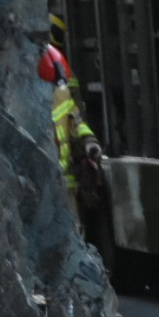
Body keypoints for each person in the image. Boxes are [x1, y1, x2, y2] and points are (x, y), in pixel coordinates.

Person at [38, 45, 104, 233]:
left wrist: (90, 144)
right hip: (45, 188)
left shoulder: (61, 98)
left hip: (65, 188)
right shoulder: (35, 108)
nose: (63, 87)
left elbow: (76, 124)